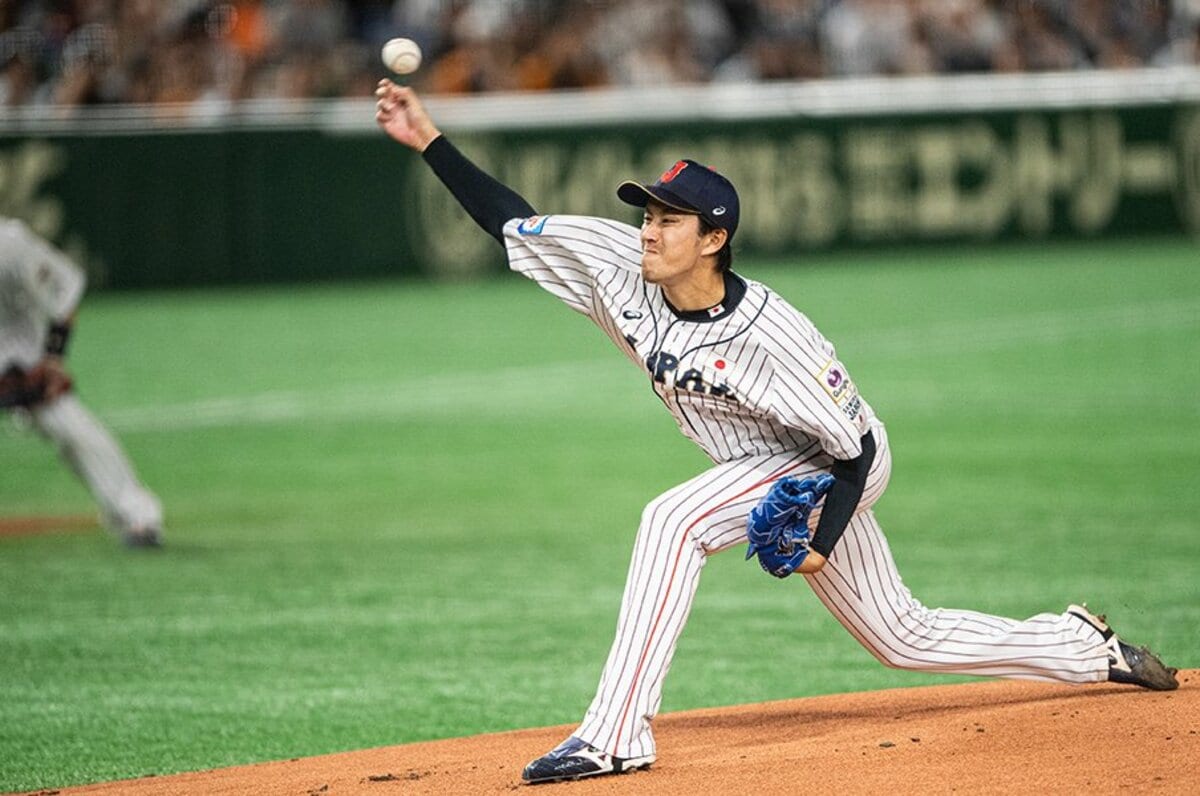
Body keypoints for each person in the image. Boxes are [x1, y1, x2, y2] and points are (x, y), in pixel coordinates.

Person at [373, 80, 1179, 784]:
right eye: (648, 212)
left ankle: (615, 736)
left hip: (832, 459)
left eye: (670, 219)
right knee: (902, 636)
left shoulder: (776, 336)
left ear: (715, 238)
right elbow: (512, 223)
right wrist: (430, 142)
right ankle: (1081, 648)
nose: (649, 229)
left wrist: (823, 538)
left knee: (672, 520)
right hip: (758, 462)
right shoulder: (621, 264)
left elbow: (858, 450)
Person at [1, 216, 164, 547]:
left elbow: (67, 283)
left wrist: (53, 356)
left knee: (71, 429)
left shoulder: (9, 245)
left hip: (21, 358)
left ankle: (138, 516)